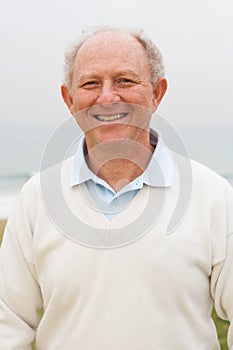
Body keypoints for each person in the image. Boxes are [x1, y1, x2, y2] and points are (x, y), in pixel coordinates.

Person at [0, 27, 233, 350]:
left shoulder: (214, 195)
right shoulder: (36, 197)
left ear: (157, 93)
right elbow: (7, 322)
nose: (107, 97)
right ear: (70, 99)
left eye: (124, 80)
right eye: (91, 83)